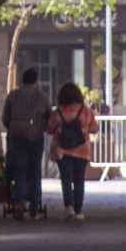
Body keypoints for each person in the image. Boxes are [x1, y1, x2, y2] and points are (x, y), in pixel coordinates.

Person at [1, 69, 51, 219]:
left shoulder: (13, 96)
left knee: (19, 171)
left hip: (16, 139)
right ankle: (35, 207)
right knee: (35, 171)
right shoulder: (41, 96)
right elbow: (48, 115)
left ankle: (19, 202)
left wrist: (14, 128)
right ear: (36, 81)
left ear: (22, 81)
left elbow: (5, 118)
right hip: (36, 138)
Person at [47, 82, 99, 220]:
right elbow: (95, 128)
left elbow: (49, 129)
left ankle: (68, 207)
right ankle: (79, 210)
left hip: (62, 151)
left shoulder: (57, 112)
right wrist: (83, 129)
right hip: (82, 150)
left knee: (66, 179)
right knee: (79, 179)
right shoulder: (85, 111)